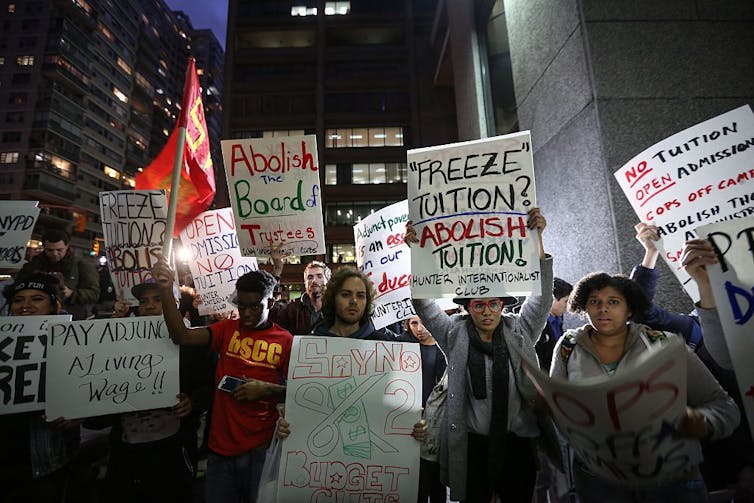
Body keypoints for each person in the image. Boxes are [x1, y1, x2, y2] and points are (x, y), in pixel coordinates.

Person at [405, 207, 555, 503]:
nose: (487, 311)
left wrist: (537, 239)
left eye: (493, 304)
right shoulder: (453, 334)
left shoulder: (521, 330)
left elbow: (543, 297)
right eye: (478, 305)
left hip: (518, 446)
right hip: (471, 448)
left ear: (502, 305)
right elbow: (424, 305)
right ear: (467, 307)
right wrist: (417, 253)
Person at [550, 271, 741, 502]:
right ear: (583, 307)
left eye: (613, 302)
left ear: (630, 309)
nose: (603, 309)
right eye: (594, 302)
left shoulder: (665, 345)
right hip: (600, 482)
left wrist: (702, 422)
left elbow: (723, 406)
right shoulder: (568, 347)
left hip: (671, 478)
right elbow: (558, 408)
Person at [151, 258, 291, 503]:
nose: (246, 313)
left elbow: (298, 393)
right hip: (219, 449)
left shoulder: (285, 340)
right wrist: (165, 290)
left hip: (261, 449)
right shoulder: (226, 329)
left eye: (256, 306)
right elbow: (181, 335)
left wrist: (266, 390)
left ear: (272, 299)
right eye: (242, 305)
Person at [88, 280, 213, 503]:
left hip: (174, 450)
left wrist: (193, 402)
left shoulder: (193, 342)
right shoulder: (116, 344)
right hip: (126, 452)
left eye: (158, 299)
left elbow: (209, 385)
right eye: (144, 301)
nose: (150, 306)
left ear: (175, 304)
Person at [274, 266, 428, 440]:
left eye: (360, 295)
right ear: (332, 299)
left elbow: (398, 406)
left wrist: (415, 428)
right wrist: (286, 425)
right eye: (346, 294)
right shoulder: (309, 347)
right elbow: (300, 402)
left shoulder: (386, 348)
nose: (354, 301)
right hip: (321, 453)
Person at [0, 273, 81, 502]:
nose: (25, 306)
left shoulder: (76, 341)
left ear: (55, 305)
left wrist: (78, 413)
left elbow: (90, 391)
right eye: (18, 300)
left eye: (36, 298)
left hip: (46, 458)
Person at [398, 316, 448, 503]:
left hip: (435, 424)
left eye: (423, 322)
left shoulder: (444, 349)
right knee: (415, 481)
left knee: (436, 481)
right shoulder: (402, 344)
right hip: (408, 422)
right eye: (414, 323)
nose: (420, 328)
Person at [16, 229, 100, 320]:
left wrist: (71, 294)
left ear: (67, 246)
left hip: (71, 317)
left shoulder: (82, 265)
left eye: (59, 250)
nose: (55, 254)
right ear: (44, 247)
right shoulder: (32, 266)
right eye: (50, 250)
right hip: (36, 317)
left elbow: (94, 294)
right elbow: (17, 289)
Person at [269, 257, 330, 335]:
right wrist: (277, 271)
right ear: (305, 283)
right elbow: (268, 311)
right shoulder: (293, 309)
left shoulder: (337, 308)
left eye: (319, 276)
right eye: (310, 277)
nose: (314, 280)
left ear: (328, 281)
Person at [535, 277, 573, 372]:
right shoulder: (538, 323)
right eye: (566, 301)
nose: (567, 307)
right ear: (553, 299)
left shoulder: (559, 318)